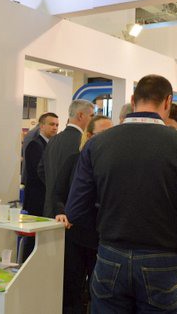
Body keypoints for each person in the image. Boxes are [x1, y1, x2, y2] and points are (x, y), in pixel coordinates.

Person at [65, 74, 177, 313]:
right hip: (165, 259)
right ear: (168, 102)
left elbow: (75, 210)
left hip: (110, 255)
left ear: (132, 100)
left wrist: (105, 238)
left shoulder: (97, 144)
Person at [54, 115, 113, 314]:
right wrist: (61, 212)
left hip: (103, 238)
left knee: (100, 293)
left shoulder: (114, 163)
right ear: (89, 135)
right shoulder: (74, 160)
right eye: (103, 134)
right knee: (71, 289)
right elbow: (58, 193)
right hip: (76, 235)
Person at [38, 99, 94, 218]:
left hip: (49, 208)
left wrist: (52, 188)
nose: (93, 120)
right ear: (80, 115)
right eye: (91, 116)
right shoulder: (83, 143)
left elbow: (41, 170)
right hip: (70, 211)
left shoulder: (53, 140)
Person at [20, 112, 59, 261]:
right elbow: (36, 173)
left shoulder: (51, 145)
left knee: (41, 237)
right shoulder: (35, 145)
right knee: (32, 237)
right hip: (36, 199)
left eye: (57, 125)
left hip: (44, 198)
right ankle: (27, 265)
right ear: (42, 126)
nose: (55, 128)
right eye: (51, 124)